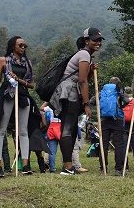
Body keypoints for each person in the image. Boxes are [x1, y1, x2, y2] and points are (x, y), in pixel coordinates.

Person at [49, 28, 100, 175]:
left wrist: (90, 71)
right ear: (86, 41)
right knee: (67, 128)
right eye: (94, 39)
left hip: (72, 92)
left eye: (99, 40)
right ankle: (67, 167)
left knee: (70, 130)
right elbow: (82, 81)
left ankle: (69, 165)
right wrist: (86, 104)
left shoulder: (86, 55)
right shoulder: (84, 54)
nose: (97, 43)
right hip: (70, 93)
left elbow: (85, 78)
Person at [0, 35, 37, 177]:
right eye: (20, 45)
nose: (23, 47)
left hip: (23, 95)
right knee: (1, 130)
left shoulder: (27, 62)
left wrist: (19, 79)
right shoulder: (3, 60)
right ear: (12, 46)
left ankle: (26, 165)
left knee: (23, 131)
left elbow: (32, 84)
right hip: (7, 94)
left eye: (25, 45)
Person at [97, 77, 128, 176]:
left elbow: (93, 101)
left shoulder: (102, 91)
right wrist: (121, 107)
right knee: (119, 144)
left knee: (103, 144)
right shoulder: (119, 91)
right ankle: (118, 169)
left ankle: (103, 168)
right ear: (118, 83)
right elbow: (127, 101)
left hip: (104, 120)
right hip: (117, 119)